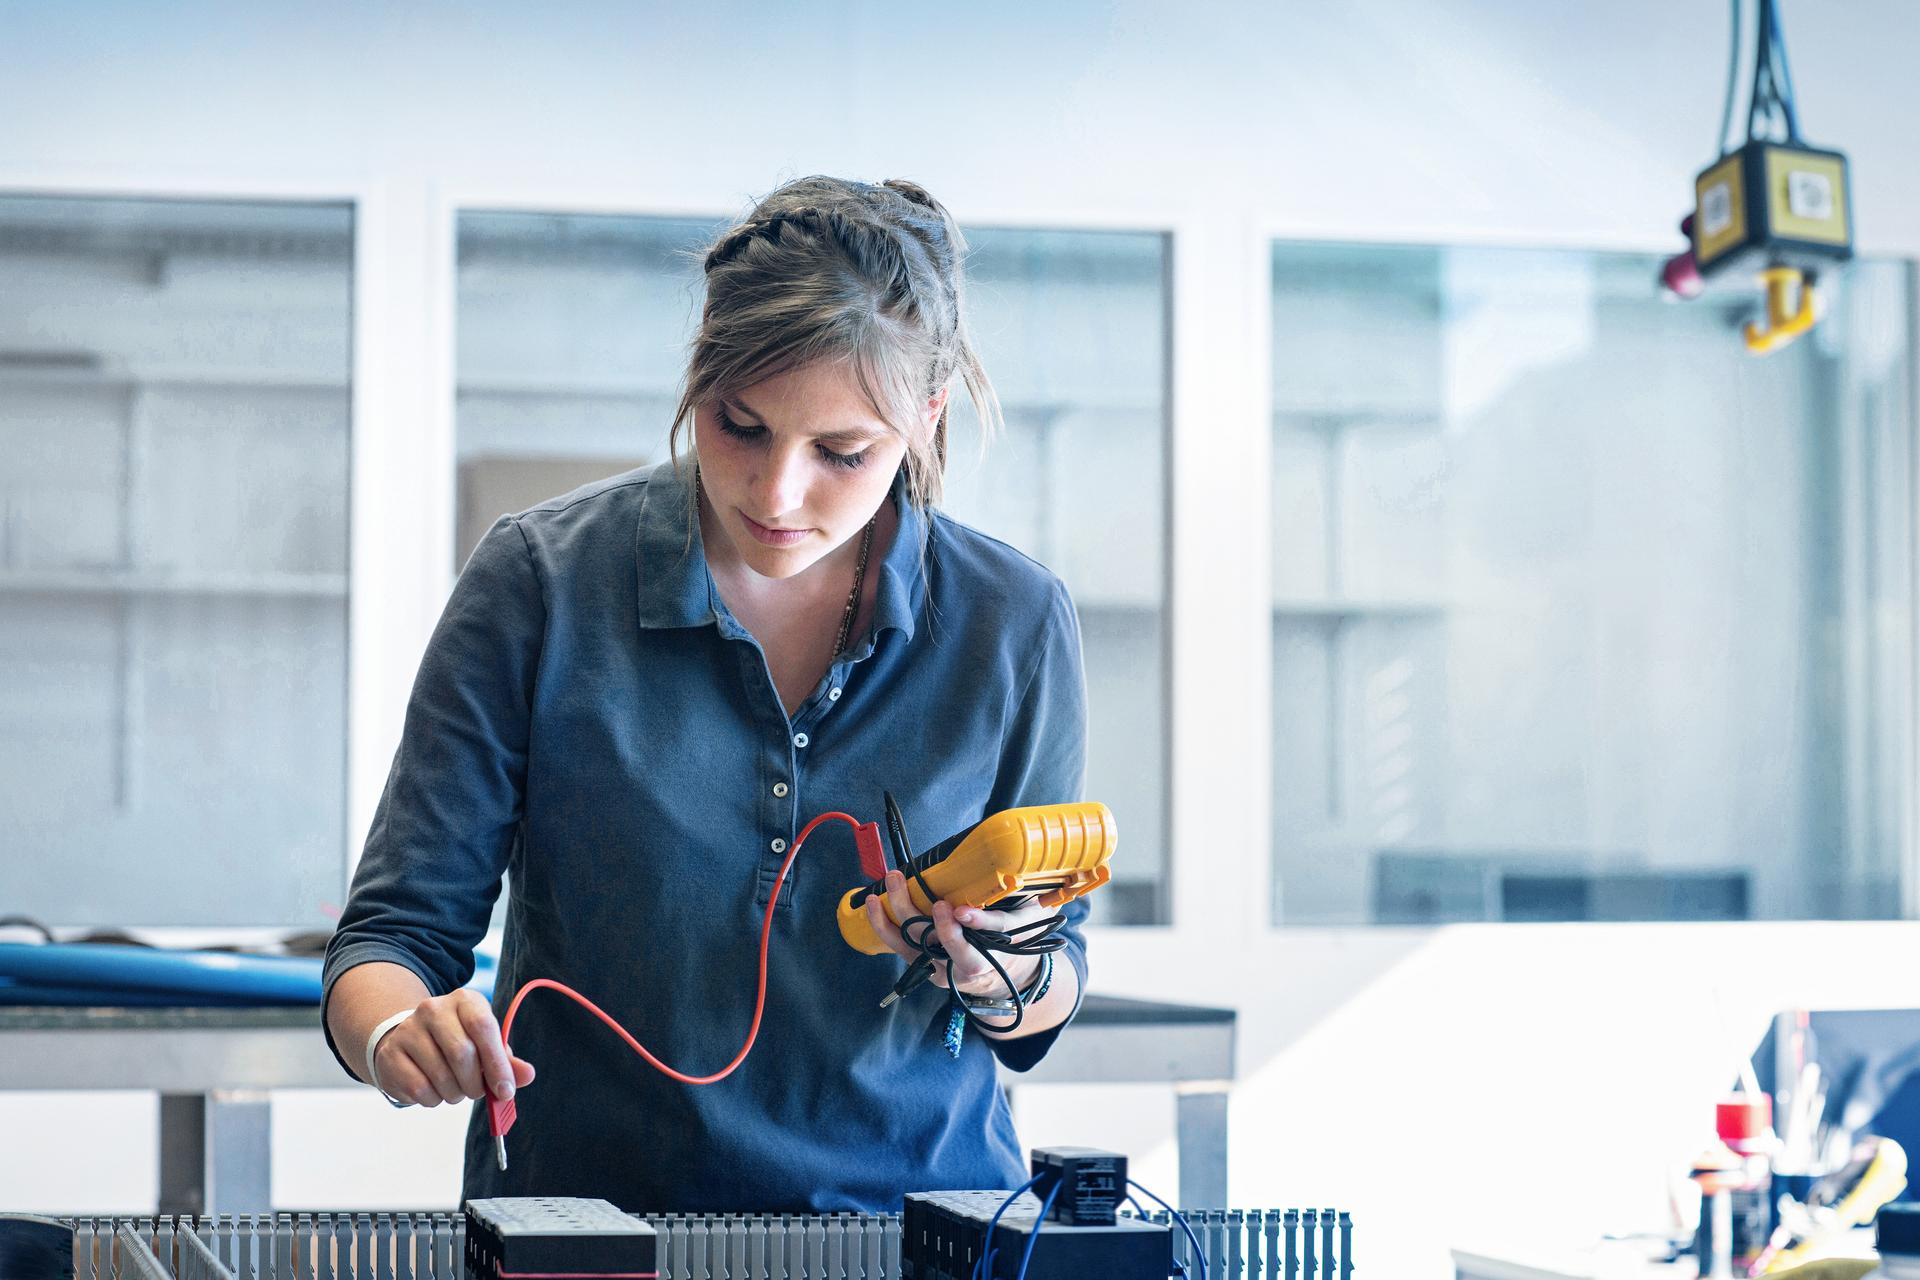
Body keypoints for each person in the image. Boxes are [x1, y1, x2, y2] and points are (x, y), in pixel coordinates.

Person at [321, 175, 1091, 1213]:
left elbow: (1048, 988)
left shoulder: (1015, 621)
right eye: (740, 427)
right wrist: (392, 1033)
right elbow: (391, 937)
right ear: (698, 383)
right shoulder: (539, 583)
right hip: (589, 1232)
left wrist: (1007, 978)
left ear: (926, 417)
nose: (777, 494)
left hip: (922, 1231)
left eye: (841, 452)